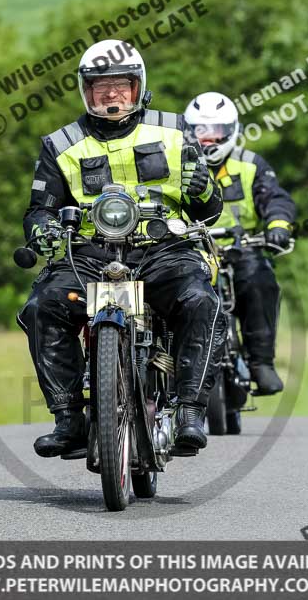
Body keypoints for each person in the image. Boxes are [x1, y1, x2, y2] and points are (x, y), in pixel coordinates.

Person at [17, 40, 227, 457]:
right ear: (85, 90)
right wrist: (42, 232)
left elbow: (211, 208)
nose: (110, 94)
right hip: (89, 255)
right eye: (99, 86)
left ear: (137, 86)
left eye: (119, 85)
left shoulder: (173, 130)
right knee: (42, 306)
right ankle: (68, 419)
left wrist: (203, 190)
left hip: (163, 249)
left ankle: (189, 410)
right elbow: (39, 210)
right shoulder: (60, 144)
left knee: (201, 300)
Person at [184, 92, 296, 395]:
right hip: (190, 249)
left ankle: (261, 363)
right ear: (188, 132)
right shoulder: (176, 164)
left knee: (260, 280)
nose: (209, 139)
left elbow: (275, 199)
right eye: (200, 131)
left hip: (240, 246)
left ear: (232, 130)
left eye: (217, 131)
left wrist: (278, 227)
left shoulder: (251, 164)